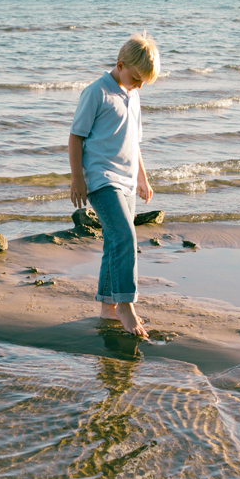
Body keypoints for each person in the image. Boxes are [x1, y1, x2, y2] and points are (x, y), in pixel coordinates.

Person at [69, 33, 161, 337]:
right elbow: (76, 137)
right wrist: (77, 178)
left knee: (113, 241)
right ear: (120, 65)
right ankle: (125, 304)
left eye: (144, 82)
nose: (139, 85)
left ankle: (108, 305)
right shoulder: (96, 92)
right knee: (125, 235)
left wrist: (142, 177)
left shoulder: (133, 95)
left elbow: (134, 142)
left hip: (127, 181)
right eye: (136, 78)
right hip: (101, 179)